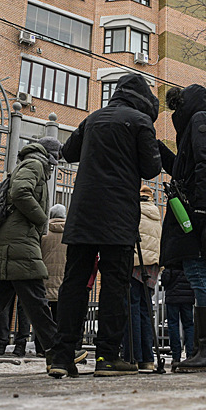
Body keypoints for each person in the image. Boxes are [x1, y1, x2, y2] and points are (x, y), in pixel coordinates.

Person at [49, 74, 161, 378]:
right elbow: (151, 168)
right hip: (118, 215)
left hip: (84, 212)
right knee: (115, 284)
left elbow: (68, 153)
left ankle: (61, 356)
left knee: (74, 283)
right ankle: (107, 357)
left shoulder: (93, 118)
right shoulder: (140, 121)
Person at [0, 138, 83, 374]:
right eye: (55, 161)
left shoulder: (26, 163)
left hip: (8, 242)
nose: (54, 167)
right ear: (50, 156)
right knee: (36, 298)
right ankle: (56, 354)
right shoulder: (35, 163)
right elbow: (21, 192)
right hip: (19, 243)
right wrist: (41, 219)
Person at [159, 85, 206, 373]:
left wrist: (201, 210)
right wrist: (162, 151)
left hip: (199, 215)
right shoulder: (197, 125)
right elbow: (185, 168)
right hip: (197, 213)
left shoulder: (201, 121)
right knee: (197, 274)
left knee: (199, 275)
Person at [122, 184, 162, 371]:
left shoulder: (134, 210)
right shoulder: (157, 214)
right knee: (147, 311)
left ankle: (133, 356)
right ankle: (148, 358)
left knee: (132, 309)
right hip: (152, 267)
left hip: (135, 264)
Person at [37, 203, 68, 357]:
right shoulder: (69, 233)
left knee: (42, 314)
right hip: (62, 280)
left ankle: (40, 347)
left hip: (43, 278)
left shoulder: (43, 232)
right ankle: (56, 346)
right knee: (59, 316)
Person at [162, 267, 195, 371]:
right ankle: (190, 355)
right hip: (187, 297)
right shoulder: (188, 262)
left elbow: (165, 279)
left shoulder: (171, 261)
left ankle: (176, 356)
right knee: (189, 325)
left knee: (173, 325)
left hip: (172, 296)